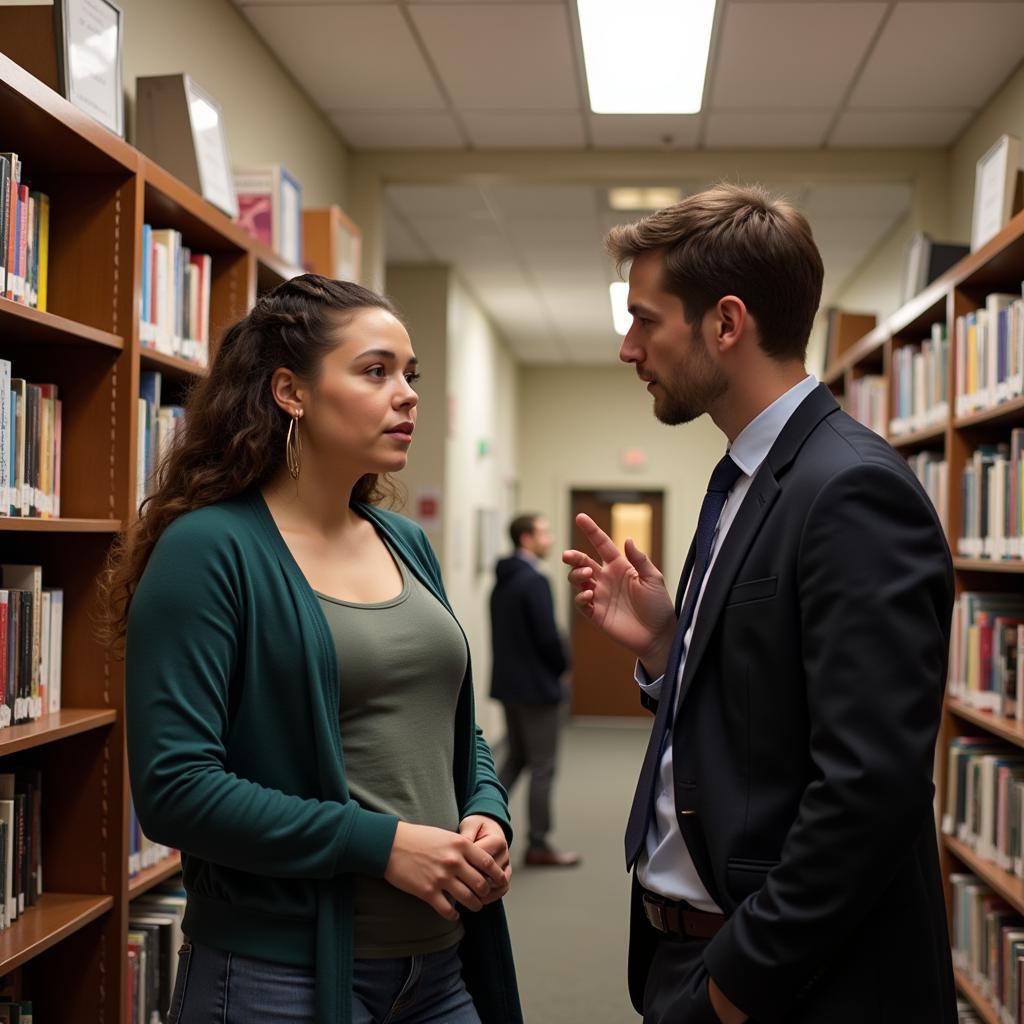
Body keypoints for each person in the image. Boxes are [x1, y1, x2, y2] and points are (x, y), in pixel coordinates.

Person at [563, 184, 956, 1024]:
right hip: (693, 949)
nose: (629, 348)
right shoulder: (743, 474)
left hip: (786, 983)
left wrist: (735, 988)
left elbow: (869, 790)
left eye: (644, 319)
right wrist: (670, 649)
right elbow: (766, 709)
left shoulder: (850, 489)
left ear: (726, 323)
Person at [103, 275, 522, 1024]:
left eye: (410, 374)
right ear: (290, 391)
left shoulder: (407, 543)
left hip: (439, 967)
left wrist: (485, 809)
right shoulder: (210, 549)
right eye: (375, 371)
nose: (407, 394)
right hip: (276, 974)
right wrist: (381, 844)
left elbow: (449, 725)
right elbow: (176, 790)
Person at [490, 514, 579, 868]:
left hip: (510, 687)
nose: (551, 538)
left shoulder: (503, 579)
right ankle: (538, 845)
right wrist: (562, 668)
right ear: (526, 539)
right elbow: (547, 636)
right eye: (544, 532)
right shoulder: (534, 581)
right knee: (543, 766)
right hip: (538, 689)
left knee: (516, 759)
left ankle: (473, 817)